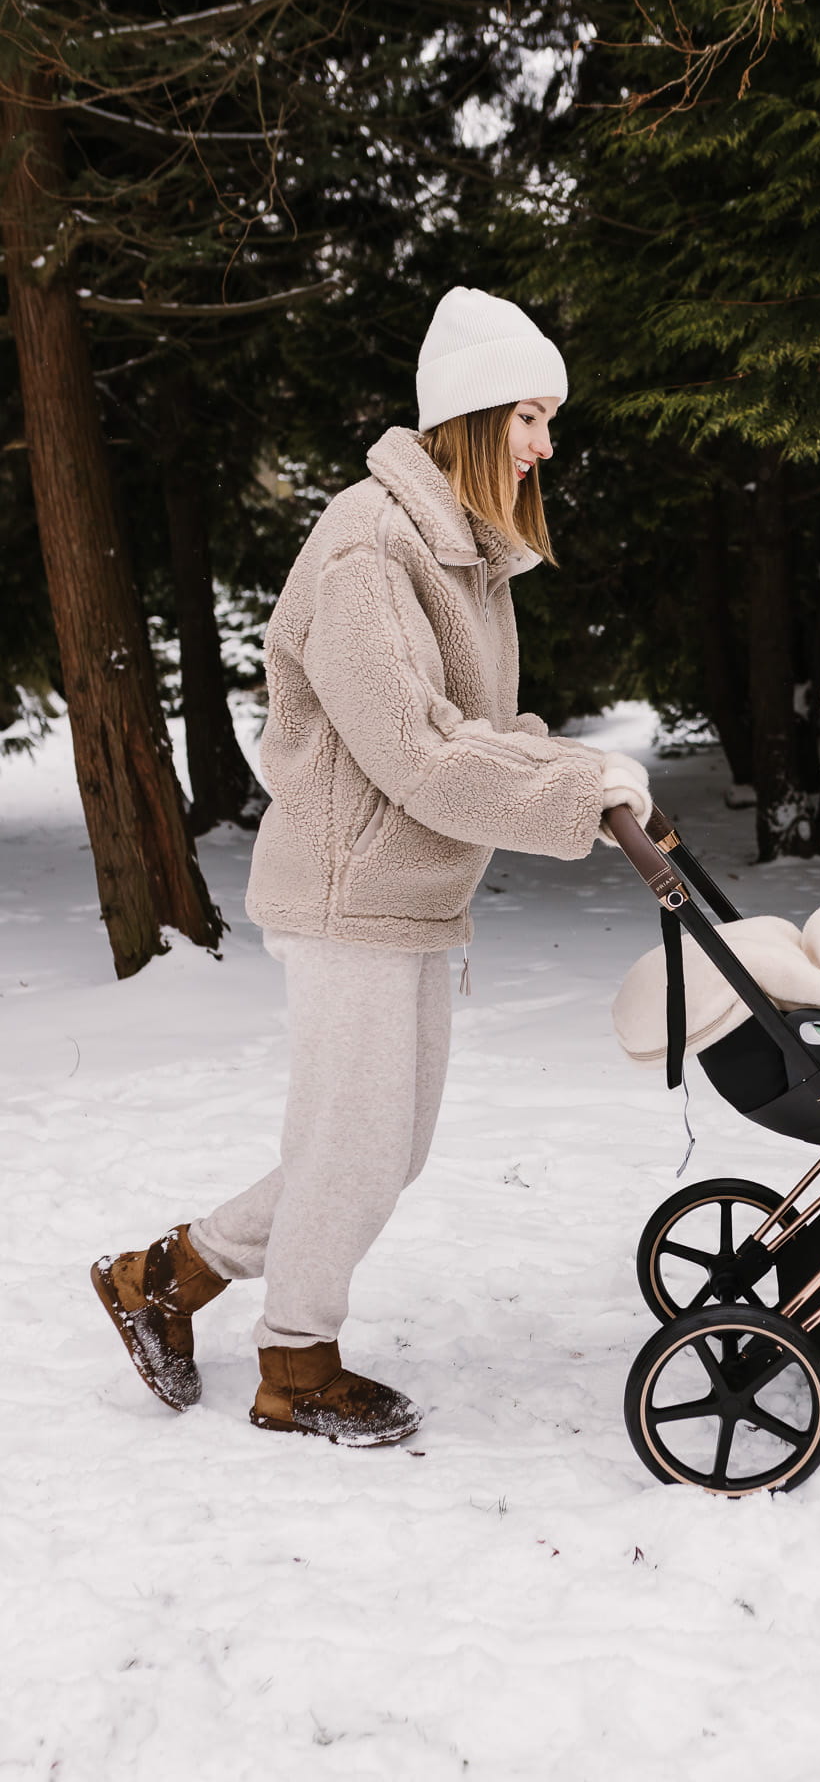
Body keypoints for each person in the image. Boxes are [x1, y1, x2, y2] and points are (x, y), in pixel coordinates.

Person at [92, 287, 652, 1448]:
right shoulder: (366, 547)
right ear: (474, 413)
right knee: (352, 1146)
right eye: (533, 417)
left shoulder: (466, 562)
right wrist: (568, 792)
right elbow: (418, 751)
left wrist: (580, 778)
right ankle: (294, 1365)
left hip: (415, 894)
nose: (549, 445)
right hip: (350, 892)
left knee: (381, 1148)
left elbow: (473, 732)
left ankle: (167, 1273)